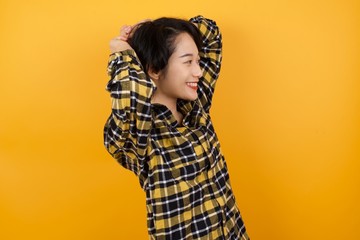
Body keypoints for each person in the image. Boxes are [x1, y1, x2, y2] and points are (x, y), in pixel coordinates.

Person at [104, 15, 250, 240]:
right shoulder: (139, 136)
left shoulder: (196, 107)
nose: (199, 71)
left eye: (198, 61)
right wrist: (121, 50)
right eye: (188, 61)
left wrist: (153, 30)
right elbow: (130, 98)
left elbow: (211, 33)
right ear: (154, 69)